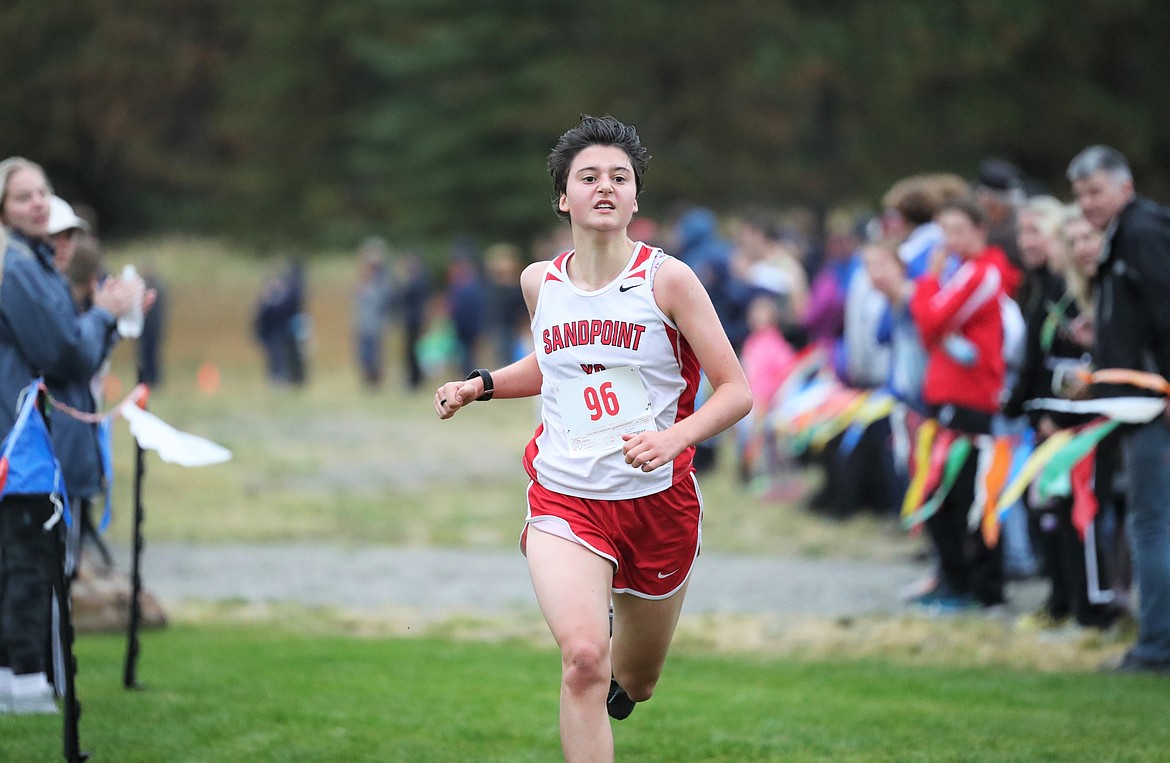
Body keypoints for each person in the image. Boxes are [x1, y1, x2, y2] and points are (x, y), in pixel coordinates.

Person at [434, 116, 751, 761]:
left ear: (636, 198)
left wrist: (674, 438)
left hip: (656, 502)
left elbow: (737, 390)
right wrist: (482, 383)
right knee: (583, 659)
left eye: (619, 177)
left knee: (636, 677)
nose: (604, 188)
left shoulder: (670, 281)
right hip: (565, 496)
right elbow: (554, 367)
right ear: (563, 197)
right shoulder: (538, 281)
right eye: (589, 177)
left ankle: (623, 690)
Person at [0, 157, 141, 714]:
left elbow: (74, 356)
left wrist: (106, 321)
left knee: (30, 560)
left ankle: (21, 677)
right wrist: (104, 313)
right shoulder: (17, 270)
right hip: (29, 445)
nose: (37, 203)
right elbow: (62, 354)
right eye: (22, 197)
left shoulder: (32, 268)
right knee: (32, 563)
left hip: (35, 441)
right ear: (4, 210)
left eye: (42, 193)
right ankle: (27, 680)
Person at [1068, 145, 1170, 673]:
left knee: (1151, 524)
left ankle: (1156, 647)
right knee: (1150, 521)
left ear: (1124, 187)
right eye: (1080, 195)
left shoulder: (1142, 231)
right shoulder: (1123, 235)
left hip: (1155, 405)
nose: (1086, 203)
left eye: (1095, 191)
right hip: (1138, 403)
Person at [909, 196, 1014, 611]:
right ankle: (954, 580)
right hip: (945, 397)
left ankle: (983, 587)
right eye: (945, 232)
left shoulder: (986, 272)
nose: (950, 241)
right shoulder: (965, 272)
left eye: (957, 231)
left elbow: (931, 322)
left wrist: (928, 281)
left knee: (969, 495)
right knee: (940, 494)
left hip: (971, 399)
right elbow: (931, 328)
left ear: (979, 230)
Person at [352, 237, 393, 388]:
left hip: (376, 324)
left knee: (375, 355)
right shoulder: (363, 278)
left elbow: (385, 300)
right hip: (363, 323)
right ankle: (367, 381)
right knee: (364, 355)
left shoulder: (383, 279)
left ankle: (376, 381)